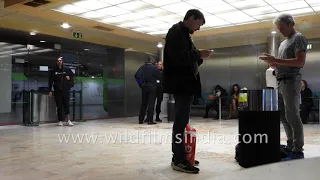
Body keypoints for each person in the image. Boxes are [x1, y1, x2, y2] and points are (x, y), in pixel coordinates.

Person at [162, 9, 212, 173]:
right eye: (199, 24)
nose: (198, 28)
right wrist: (199, 54)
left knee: (182, 123)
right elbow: (178, 58)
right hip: (181, 85)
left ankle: (181, 155)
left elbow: (188, 60)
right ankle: (179, 159)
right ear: (191, 18)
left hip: (185, 85)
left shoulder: (183, 34)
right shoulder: (176, 32)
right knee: (180, 123)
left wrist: (199, 57)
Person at [259, 13, 307, 160]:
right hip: (280, 81)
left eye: (282, 27)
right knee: (284, 116)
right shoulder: (283, 43)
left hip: (291, 80)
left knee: (292, 115)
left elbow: (300, 62)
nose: (280, 30)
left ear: (291, 24)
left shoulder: (298, 38)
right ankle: (291, 145)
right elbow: (279, 63)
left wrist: (276, 60)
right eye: (278, 28)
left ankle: (298, 150)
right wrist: (272, 62)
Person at [135, 57, 161, 125]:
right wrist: (157, 82)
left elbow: (137, 75)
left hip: (144, 87)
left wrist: (140, 84)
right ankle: (150, 120)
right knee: (151, 104)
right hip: (152, 87)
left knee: (143, 103)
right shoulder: (154, 68)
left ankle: (141, 120)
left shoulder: (142, 67)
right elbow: (160, 77)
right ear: (152, 61)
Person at [48, 57, 75, 126]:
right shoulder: (54, 70)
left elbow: (72, 78)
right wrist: (50, 90)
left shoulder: (67, 69)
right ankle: (60, 121)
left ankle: (68, 120)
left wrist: (69, 84)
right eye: (58, 61)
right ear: (56, 62)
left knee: (66, 105)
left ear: (62, 61)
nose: (59, 62)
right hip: (57, 91)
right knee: (59, 106)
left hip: (65, 91)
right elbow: (50, 81)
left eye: (60, 61)